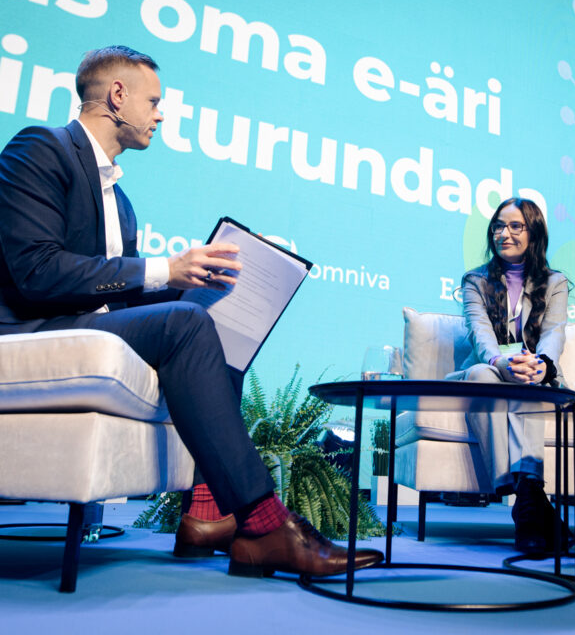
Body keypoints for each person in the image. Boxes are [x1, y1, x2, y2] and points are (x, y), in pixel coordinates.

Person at [0, 46, 382, 578]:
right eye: (153, 101)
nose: (160, 114)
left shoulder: (122, 201)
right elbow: (36, 271)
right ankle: (265, 522)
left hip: (83, 326)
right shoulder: (41, 148)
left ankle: (204, 518)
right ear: (117, 96)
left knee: (217, 335)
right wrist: (165, 271)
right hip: (33, 332)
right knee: (184, 323)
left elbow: (120, 302)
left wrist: (202, 282)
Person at [447, 197, 571, 554]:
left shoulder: (555, 282)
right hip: (490, 369)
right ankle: (529, 495)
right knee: (483, 377)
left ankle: (527, 504)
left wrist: (543, 364)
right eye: (499, 226)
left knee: (531, 383)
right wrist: (503, 364)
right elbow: (479, 332)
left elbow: (554, 332)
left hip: (532, 371)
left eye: (515, 226)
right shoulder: (476, 280)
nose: (504, 233)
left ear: (533, 233)